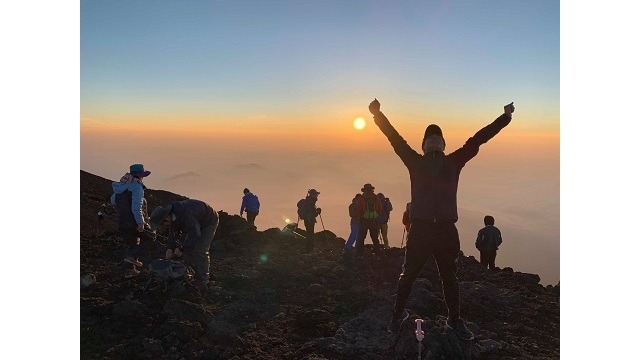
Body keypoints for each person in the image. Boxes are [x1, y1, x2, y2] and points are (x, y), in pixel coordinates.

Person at [369, 98, 514, 340]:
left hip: (446, 230)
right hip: (421, 230)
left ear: (444, 145)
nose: (434, 139)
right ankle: (397, 316)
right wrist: (377, 114)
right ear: (424, 146)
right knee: (408, 275)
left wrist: (505, 118)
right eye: (430, 138)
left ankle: (454, 321)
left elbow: (478, 139)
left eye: (438, 138)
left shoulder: (454, 161)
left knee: (449, 277)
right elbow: (394, 137)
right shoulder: (414, 161)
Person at [149, 199, 219, 292]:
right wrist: (170, 248)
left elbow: (195, 233)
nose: (163, 226)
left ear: (168, 216)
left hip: (209, 220)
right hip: (195, 221)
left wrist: (181, 249)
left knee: (200, 250)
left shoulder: (185, 214)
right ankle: (190, 273)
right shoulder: (171, 216)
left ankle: (203, 280)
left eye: (163, 223)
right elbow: (172, 234)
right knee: (187, 248)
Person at [110, 163, 154, 278]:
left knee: (132, 243)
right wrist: (140, 223)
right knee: (150, 239)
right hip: (133, 221)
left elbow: (113, 201)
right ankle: (133, 258)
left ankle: (130, 272)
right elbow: (136, 207)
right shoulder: (137, 187)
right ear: (140, 176)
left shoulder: (120, 187)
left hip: (122, 221)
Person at [354, 183, 383, 259]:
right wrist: (376, 216)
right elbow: (380, 208)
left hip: (364, 220)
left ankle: (360, 255)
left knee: (361, 238)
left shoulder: (361, 198)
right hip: (374, 221)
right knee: (375, 238)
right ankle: (377, 255)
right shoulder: (376, 198)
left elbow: (358, 209)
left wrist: (360, 217)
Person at [298, 189, 321, 254]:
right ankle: (309, 249)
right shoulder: (310, 202)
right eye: (316, 194)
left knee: (309, 234)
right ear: (313, 195)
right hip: (309, 220)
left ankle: (309, 249)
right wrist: (317, 211)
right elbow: (312, 214)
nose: (317, 196)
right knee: (310, 234)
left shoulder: (309, 201)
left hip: (307, 219)